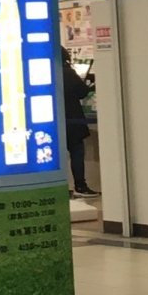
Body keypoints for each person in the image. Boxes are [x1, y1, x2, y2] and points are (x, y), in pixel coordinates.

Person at [62, 48, 97, 198]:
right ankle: (80, 185)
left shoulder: (45, 71)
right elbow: (82, 92)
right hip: (72, 118)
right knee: (77, 151)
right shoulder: (68, 73)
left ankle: (61, 187)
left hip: (53, 121)